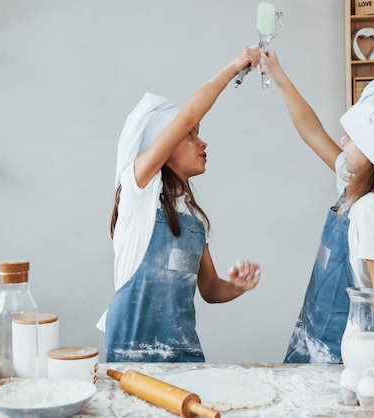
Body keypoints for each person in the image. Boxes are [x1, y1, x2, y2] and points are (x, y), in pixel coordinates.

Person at [260, 50, 374, 364]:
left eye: (352, 138)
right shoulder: (353, 184)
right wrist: (276, 71)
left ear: (373, 155)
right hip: (312, 332)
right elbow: (312, 133)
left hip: (343, 351)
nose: (342, 140)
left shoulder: (372, 211)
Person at [98, 46, 263, 363]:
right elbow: (188, 113)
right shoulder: (138, 192)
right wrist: (234, 66)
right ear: (164, 145)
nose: (202, 142)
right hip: (133, 355)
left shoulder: (193, 219)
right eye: (190, 134)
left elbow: (210, 288)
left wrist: (238, 286)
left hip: (183, 354)